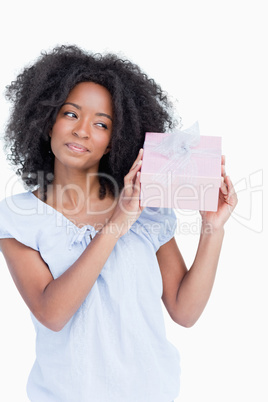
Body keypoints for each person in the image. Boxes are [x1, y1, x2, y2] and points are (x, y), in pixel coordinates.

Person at [0, 45, 237, 402]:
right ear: (47, 120)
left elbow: (184, 311)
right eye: (70, 114)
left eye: (101, 124)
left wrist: (212, 227)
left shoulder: (147, 208)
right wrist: (116, 223)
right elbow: (52, 313)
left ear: (114, 141)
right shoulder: (19, 217)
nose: (82, 131)